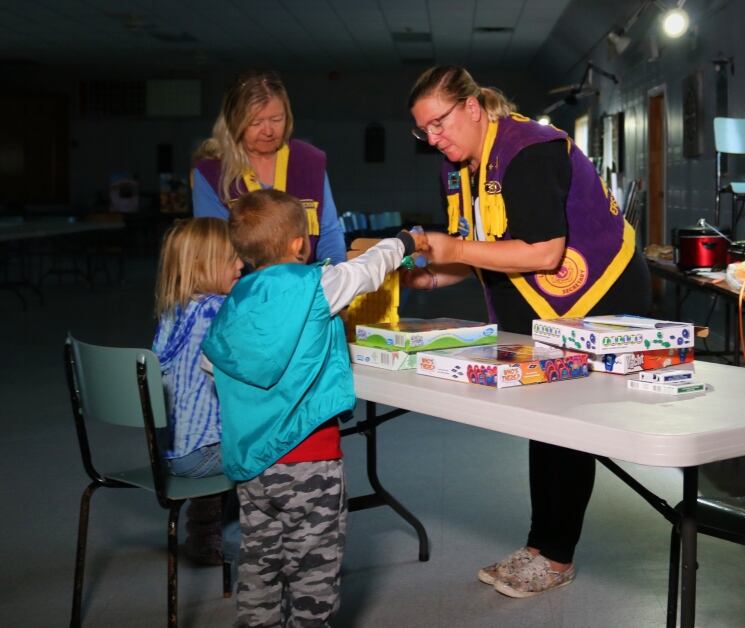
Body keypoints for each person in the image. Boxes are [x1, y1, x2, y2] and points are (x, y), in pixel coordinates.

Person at [404, 66, 652, 598]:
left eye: (440, 123)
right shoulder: (470, 162)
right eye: (423, 131)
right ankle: (541, 545)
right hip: (552, 305)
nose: (433, 138)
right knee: (546, 422)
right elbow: (485, 244)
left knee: (565, 426)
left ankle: (556, 555)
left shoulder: (530, 150)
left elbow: (543, 252)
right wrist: (432, 275)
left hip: (601, 296)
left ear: (472, 107)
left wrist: (452, 249)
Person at [202, 189, 427, 627]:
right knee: (313, 573)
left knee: (259, 565)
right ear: (299, 244)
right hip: (310, 461)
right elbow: (365, 270)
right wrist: (403, 242)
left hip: (251, 466)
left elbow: (213, 364)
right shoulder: (315, 288)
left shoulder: (236, 300)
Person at [152, 217, 244, 563]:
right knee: (271, 447)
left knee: (215, 435)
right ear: (201, 265)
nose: (240, 264)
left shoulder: (172, 311)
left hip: (169, 452)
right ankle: (274, 540)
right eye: (232, 258)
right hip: (202, 456)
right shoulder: (217, 310)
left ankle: (205, 539)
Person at [192, 69, 346, 266]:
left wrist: (333, 275)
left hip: (308, 285)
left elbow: (329, 232)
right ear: (234, 122)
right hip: (245, 291)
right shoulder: (212, 173)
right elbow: (213, 249)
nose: (268, 131)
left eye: (276, 120)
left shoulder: (309, 162)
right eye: (255, 123)